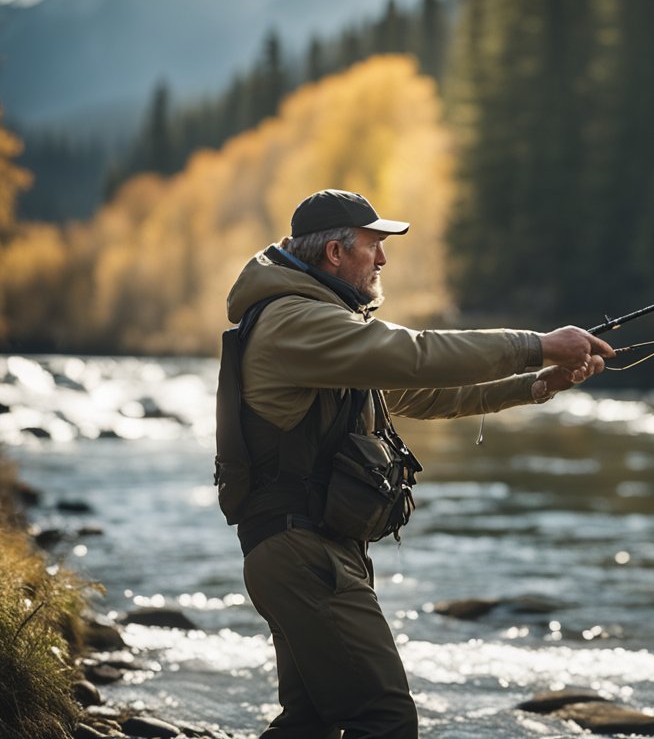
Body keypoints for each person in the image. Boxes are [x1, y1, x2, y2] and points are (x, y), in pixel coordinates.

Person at [223, 188, 614, 738]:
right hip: (302, 551)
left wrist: (533, 384)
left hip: (307, 548)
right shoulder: (295, 322)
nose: (382, 259)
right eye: (373, 245)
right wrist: (538, 344)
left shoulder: (319, 323)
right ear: (335, 254)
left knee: (308, 724)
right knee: (384, 719)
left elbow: (418, 394)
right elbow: (416, 355)